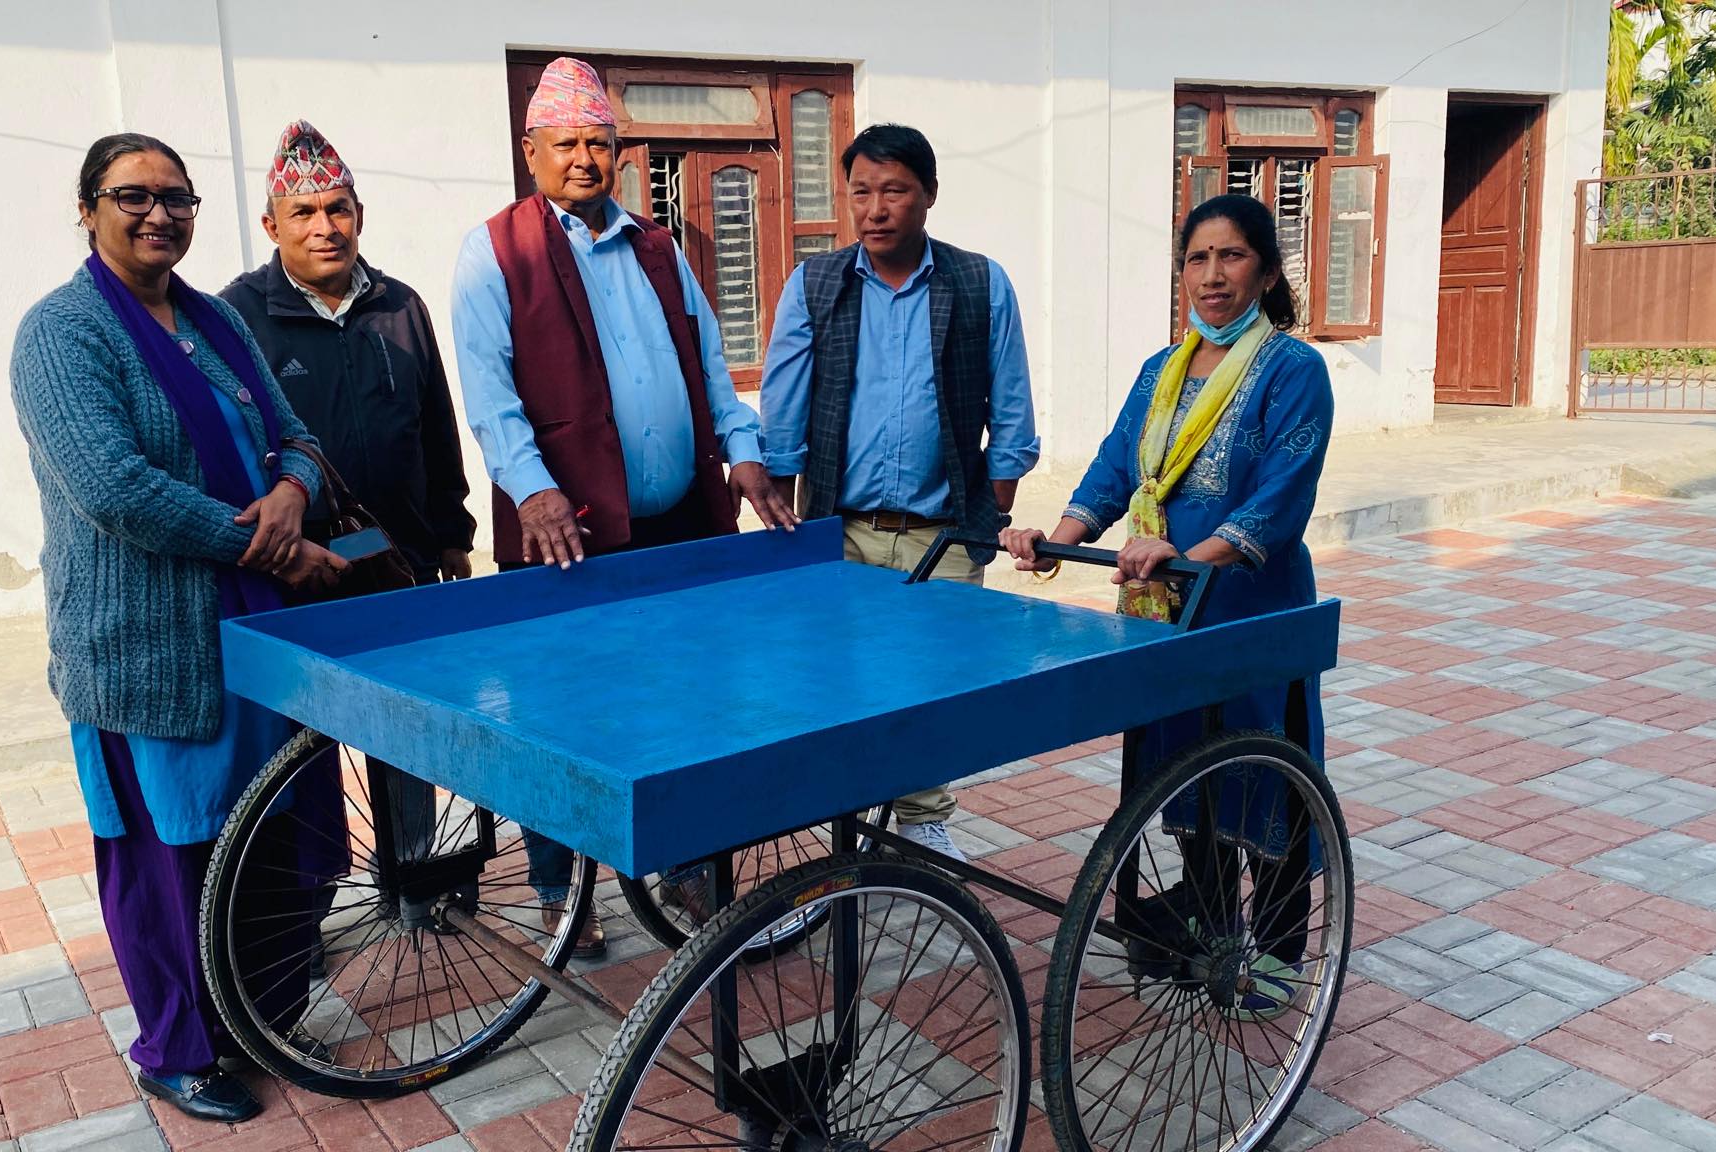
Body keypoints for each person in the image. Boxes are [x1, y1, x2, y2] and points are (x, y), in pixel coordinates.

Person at [10, 132, 346, 1122]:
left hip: (257, 632)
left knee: (268, 836)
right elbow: (115, 489)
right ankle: (178, 1049)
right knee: (170, 857)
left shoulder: (215, 320)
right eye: (133, 196)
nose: (159, 214)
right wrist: (274, 548)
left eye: (177, 198)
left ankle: (264, 1020)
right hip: (146, 647)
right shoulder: (61, 333)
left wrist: (293, 491)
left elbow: (297, 437)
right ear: (88, 210)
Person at [452, 56, 797, 952]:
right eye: (565, 143)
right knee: (560, 716)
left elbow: (711, 368)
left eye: (599, 143)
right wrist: (533, 488)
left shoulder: (658, 247)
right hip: (567, 535)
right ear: (531, 150)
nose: (584, 159)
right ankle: (561, 894)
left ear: (619, 152)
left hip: (677, 528)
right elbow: (489, 395)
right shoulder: (494, 251)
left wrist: (746, 453)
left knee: (692, 700)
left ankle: (688, 874)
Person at [1000, 193, 1333, 1020]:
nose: (1212, 275)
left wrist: (1190, 556)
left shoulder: (1293, 370)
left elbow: (1281, 497)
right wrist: (1058, 538)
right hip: (1163, 615)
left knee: (1265, 772)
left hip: (1253, 610)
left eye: (1232, 256)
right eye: (1197, 258)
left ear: (1267, 271)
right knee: (1184, 772)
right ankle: (1209, 928)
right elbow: (1117, 468)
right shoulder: (1161, 371)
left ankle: (1280, 950)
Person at [759, 123, 1040, 863]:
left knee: (930, 683)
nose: (875, 209)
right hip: (840, 526)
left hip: (942, 531)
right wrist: (784, 515)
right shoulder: (816, 284)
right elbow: (784, 407)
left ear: (929, 195)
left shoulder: (979, 283)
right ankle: (842, 826)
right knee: (835, 679)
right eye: (861, 192)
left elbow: (1012, 411)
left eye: (894, 191)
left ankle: (922, 822)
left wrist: (992, 512)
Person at [221, 119, 476, 584]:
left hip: (406, 559)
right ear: (271, 227)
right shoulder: (237, 317)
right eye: (302, 213)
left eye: (338, 210)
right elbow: (228, 453)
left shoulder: (400, 306)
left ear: (359, 215)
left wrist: (453, 535)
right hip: (300, 569)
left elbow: (437, 431)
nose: (325, 229)